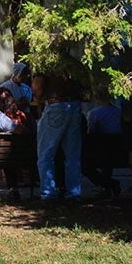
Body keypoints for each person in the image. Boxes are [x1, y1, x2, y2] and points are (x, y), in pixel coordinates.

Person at [34, 71, 85, 202]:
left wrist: (38, 98)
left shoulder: (47, 58)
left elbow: (38, 83)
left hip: (55, 104)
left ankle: (48, 192)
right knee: (72, 155)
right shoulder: (73, 58)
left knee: (45, 154)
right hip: (75, 104)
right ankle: (74, 193)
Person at [0, 85, 31, 201]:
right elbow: (26, 132)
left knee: (4, 150)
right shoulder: (20, 115)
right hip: (22, 155)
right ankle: (19, 183)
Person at [84, 89, 123, 199]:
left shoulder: (94, 113)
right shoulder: (119, 112)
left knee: (84, 164)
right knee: (107, 157)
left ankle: (108, 184)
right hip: (119, 150)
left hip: (100, 151)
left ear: (96, 97)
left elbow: (90, 132)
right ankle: (107, 185)